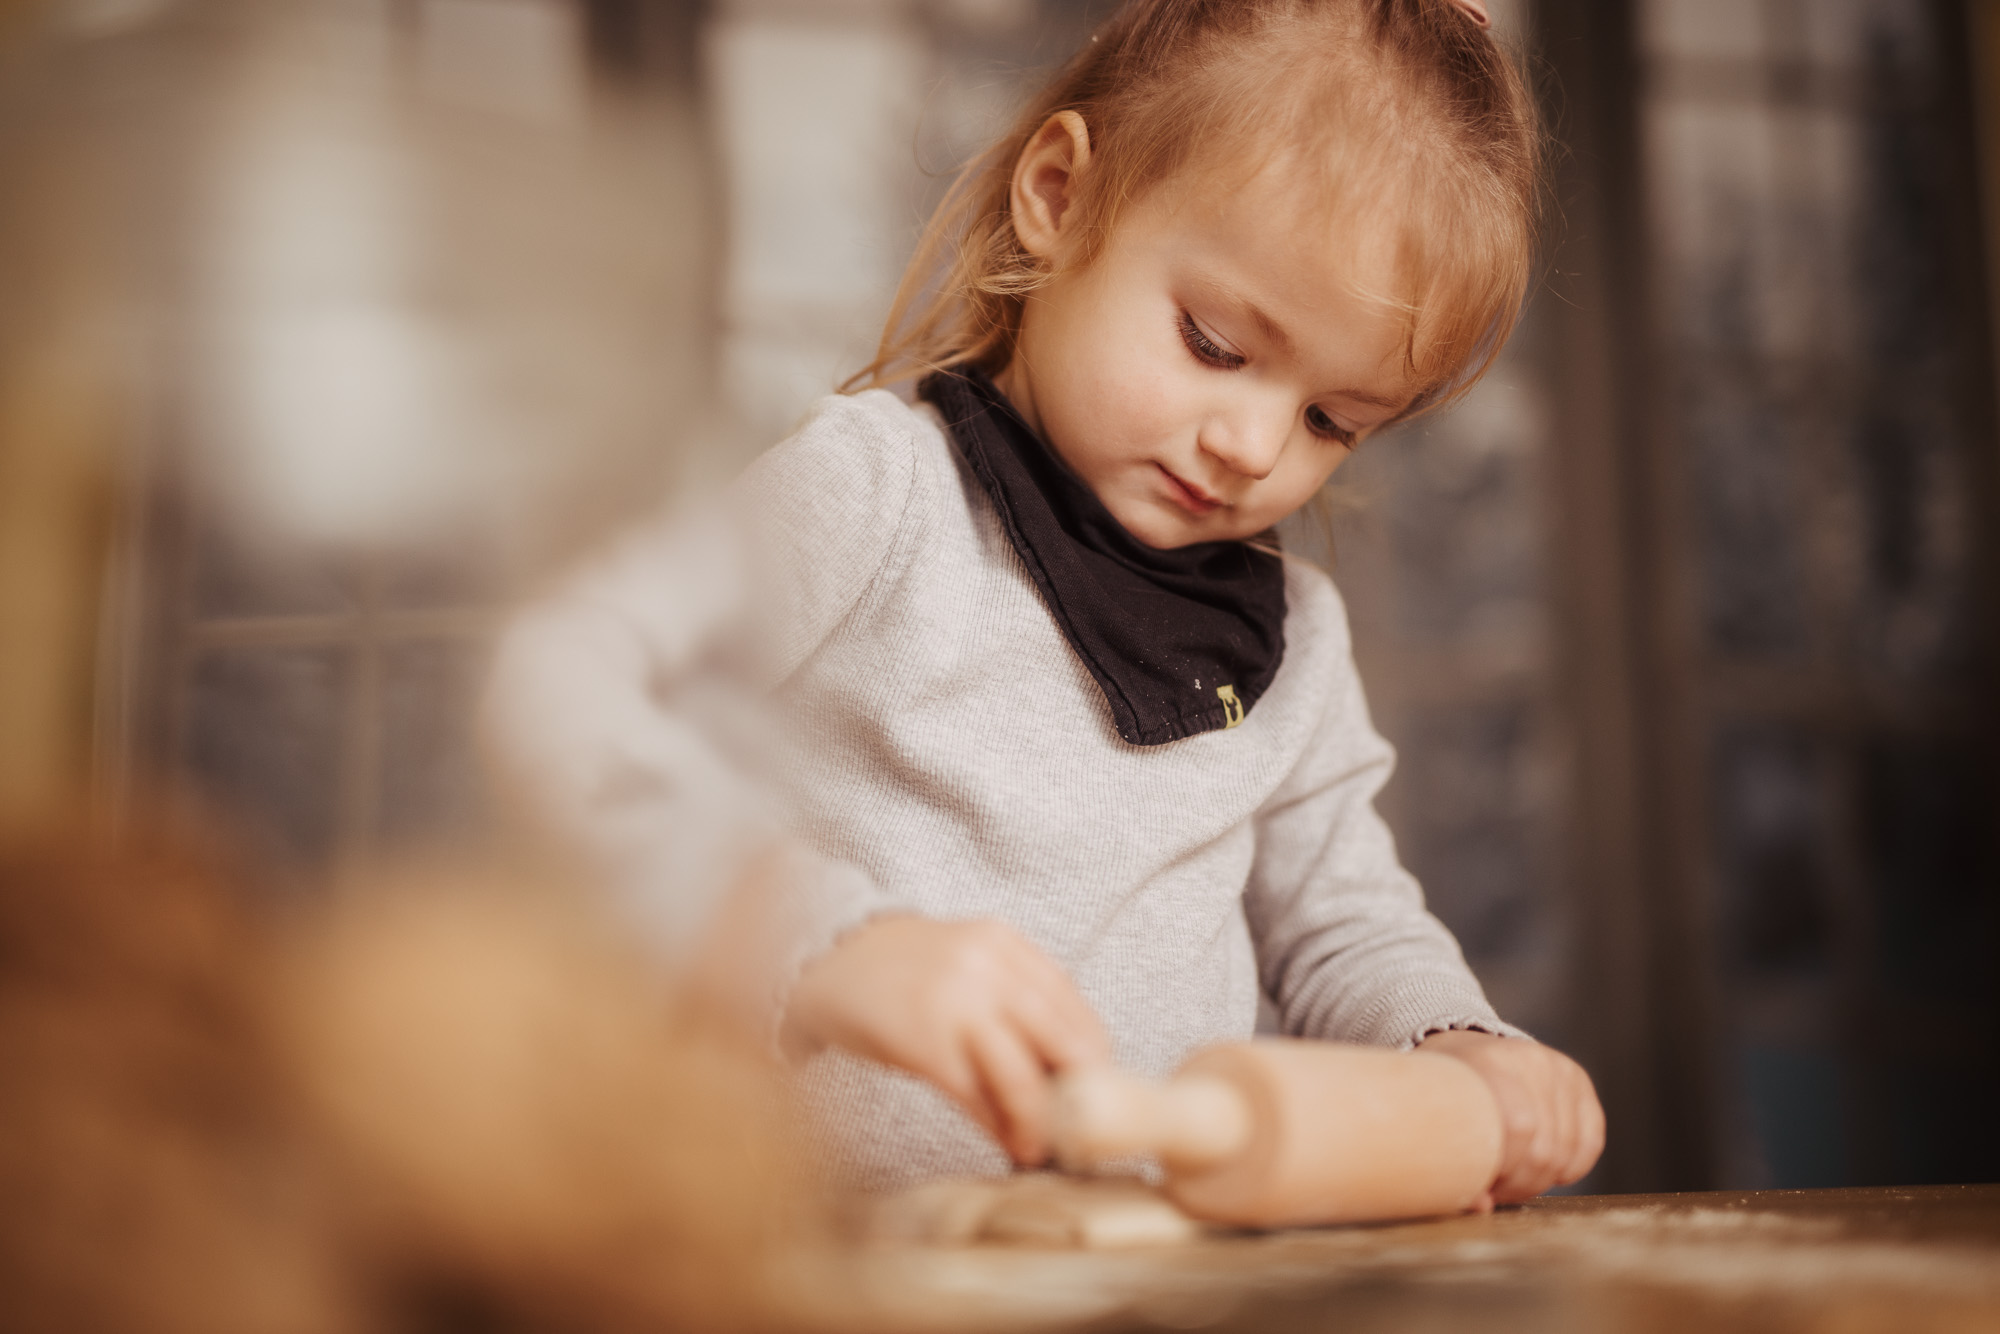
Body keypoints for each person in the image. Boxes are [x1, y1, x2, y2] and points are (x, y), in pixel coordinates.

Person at [486, 0, 1605, 1204]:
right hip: (801, 1256)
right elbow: (561, 683)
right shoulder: (877, 494)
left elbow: (1339, 923)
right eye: (1215, 343)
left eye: (1331, 420)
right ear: (1061, 197)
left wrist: (1455, 1042)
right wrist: (824, 943)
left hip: (1152, 1278)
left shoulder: (1297, 647)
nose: (1251, 442)